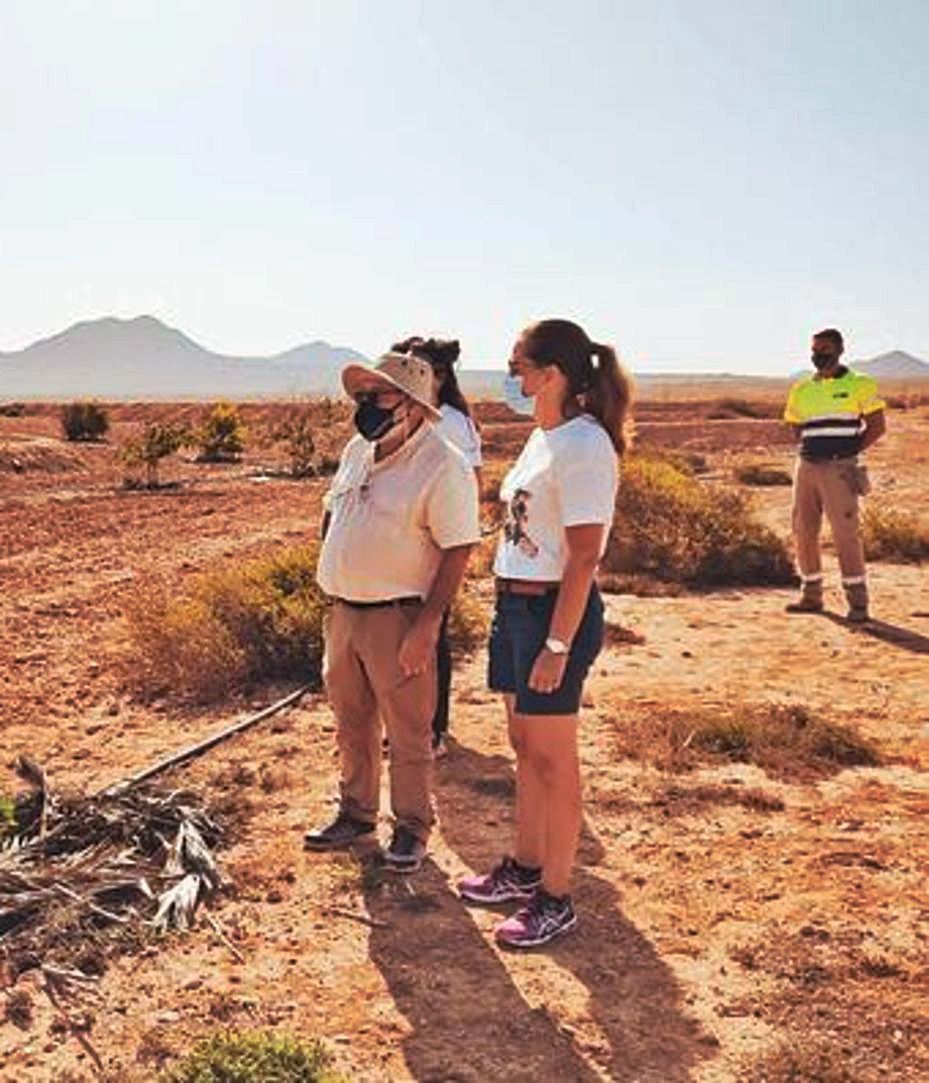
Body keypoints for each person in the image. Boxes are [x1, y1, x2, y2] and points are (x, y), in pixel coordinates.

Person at [457, 318, 632, 947]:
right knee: (524, 746)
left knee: (555, 760)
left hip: (553, 615)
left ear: (551, 373)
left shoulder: (585, 445)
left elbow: (585, 555)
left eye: (518, 366)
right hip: (516, 611)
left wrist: (557, 646)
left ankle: (556, 897)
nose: (512, 377)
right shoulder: (545, 437)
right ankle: (524, 868)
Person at [304, 352, 480, 872]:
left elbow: (458, 550)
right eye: (363, 396)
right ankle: (356, 815)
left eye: (378, 396)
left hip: (397, 615)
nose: (367, 406)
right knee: (351, 722)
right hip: (343, 612)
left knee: (407, 731)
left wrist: (427, 627)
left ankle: (411, 828)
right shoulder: (358, 451)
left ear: (412, 404)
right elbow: (334, 514)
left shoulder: (441, 465)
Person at [392, 335, 482, 758]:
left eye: (419, 369)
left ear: (441, 377)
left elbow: (467, 486)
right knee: (399, 635)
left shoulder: (451, 423)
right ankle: (407, 724)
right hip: (402, 543)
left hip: (433, 544)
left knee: (431, 632)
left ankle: (433, 728)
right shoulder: (405, 415)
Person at [783, 328, 886, 623]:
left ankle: (858, 604)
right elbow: (795, 425)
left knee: (845, 534)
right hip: (806, 467)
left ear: (840, 350)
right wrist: (810, 447)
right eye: (815, 350)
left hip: (840, 469)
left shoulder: (860, 384)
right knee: (803, 531)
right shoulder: (802, 389)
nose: (818, 355)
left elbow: (877, 426)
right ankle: (811, 595)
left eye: (825, 349)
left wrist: (847, 452)